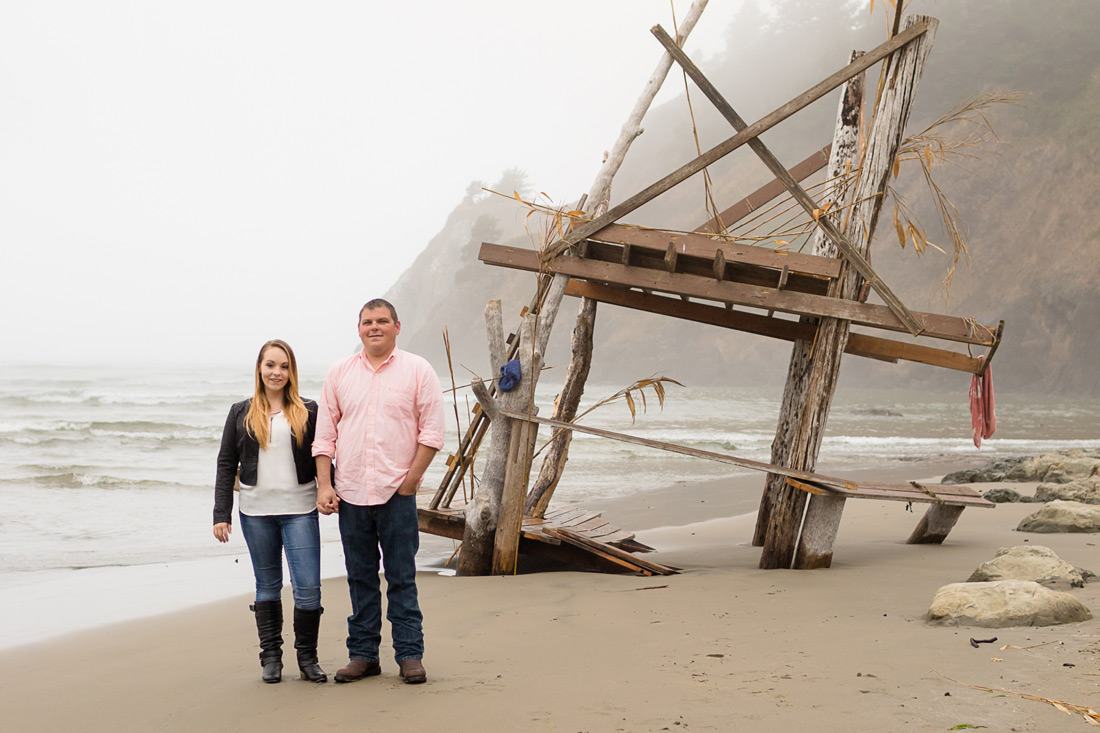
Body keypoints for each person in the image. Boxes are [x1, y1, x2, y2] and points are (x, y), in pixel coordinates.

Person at [313, 298, 445, 684]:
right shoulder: (339, 373)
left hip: (396, 495)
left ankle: (409, 655)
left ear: (396, 327)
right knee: (361, 578)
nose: (375, 327)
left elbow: (432, 432)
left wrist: (411, 481)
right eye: (368, 322)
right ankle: (364, 656)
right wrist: (325, 484)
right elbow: (324, 436)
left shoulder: (418, 370)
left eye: (382, 321)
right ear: (359, 329)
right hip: (350, 493)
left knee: (402, 577)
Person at [213, 339, 328, 684]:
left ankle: (308, 659)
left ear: (291, 371)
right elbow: (225, 464)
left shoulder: (309, 410)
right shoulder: (241, 412)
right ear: (259, 369)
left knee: (308, 588)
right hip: (255, 512)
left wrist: (329, 489)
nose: (276, 372)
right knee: (267, 585)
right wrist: (222, 513)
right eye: (270, 365)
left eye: (283, 366)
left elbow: (324, 454)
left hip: (300, 510)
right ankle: (272, 658)